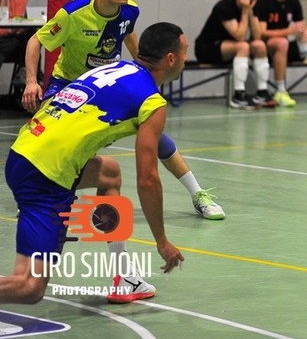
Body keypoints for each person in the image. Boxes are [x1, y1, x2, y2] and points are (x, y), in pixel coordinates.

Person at [22, 0, 224, 221]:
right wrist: (31, 81)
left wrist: (145, 75)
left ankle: (198, 194)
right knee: (49, 136)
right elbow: (35, 40)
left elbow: (128, 34)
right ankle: (40, 196)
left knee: (155, 134)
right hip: (69, 84)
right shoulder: (73, 14)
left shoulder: (130, 11)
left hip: (108, 86)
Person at [1, 22, 188, 305]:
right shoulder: (152, 103)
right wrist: (162, 241)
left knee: (109, 173)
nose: (187, 57)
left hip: (23, 151)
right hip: (46, 174)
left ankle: (124, 276)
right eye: (185, 51)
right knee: (29, 287)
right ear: (171, 59)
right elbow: (147, 180)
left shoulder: (115, 68)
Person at [195, 0, 274, 110]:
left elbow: (257, 36)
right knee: (243, 46)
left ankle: (262, 92)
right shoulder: (224, 7)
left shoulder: (252, 6)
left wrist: (250, 11)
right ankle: (238, 96)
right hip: (207, 48)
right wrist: (245, 11)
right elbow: (240, 36)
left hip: (231, 47)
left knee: (260, 45)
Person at [0, 0, 31, 73]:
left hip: (17, 40)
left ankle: (25, 73)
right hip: (4, 40)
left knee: (32, 37)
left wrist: (21, 28)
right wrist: (8, 31)